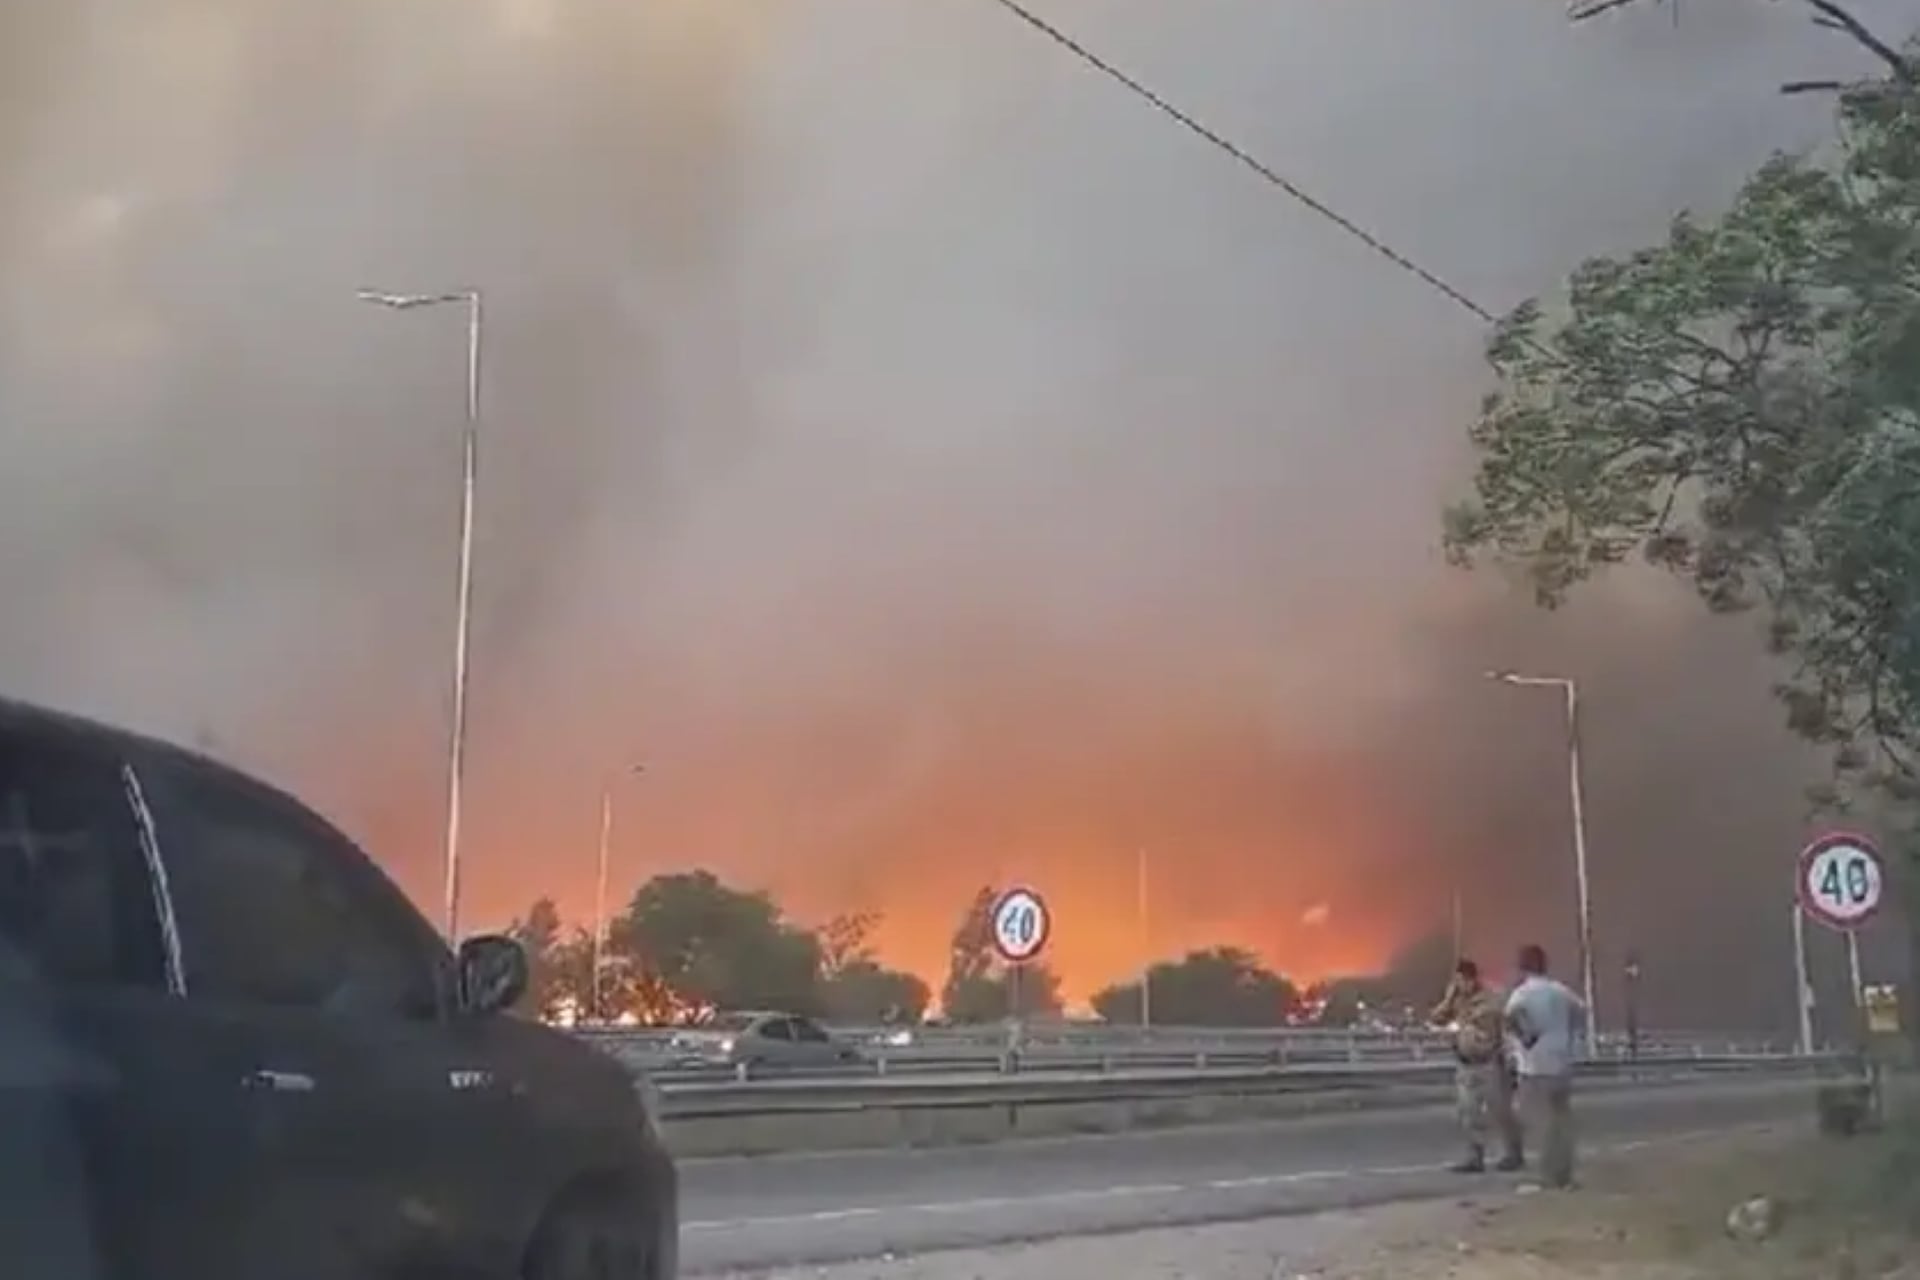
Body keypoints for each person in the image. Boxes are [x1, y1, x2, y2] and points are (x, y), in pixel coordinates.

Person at [1430, 958, 1523, 1173]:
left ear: (1471, 979)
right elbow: (1437, 1019)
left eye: (1462, 981)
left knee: (1501, 1111)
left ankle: (1513, 1153)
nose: (1460, 985)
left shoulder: (1491, 998)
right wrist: (1449, 998)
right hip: (1465, 1063)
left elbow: (1496, 1021)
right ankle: (1475, 1156)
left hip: (1490, 1062)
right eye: (1457, 982)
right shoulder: (1456, 999)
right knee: (1469, 1112)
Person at [1505, 943, 1585, 1190]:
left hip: (1535, 1067)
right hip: (1562, 1063)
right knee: (1562, 1121)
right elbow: (1581, 1011)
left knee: (1537, 1121)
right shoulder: (1560, 991)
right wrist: (1566, 1034)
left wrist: (1525, 1040)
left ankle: (1548, 1177)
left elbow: (1510, 1019)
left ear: (1523, 966)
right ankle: (1565, 1175)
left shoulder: (1522, 994)